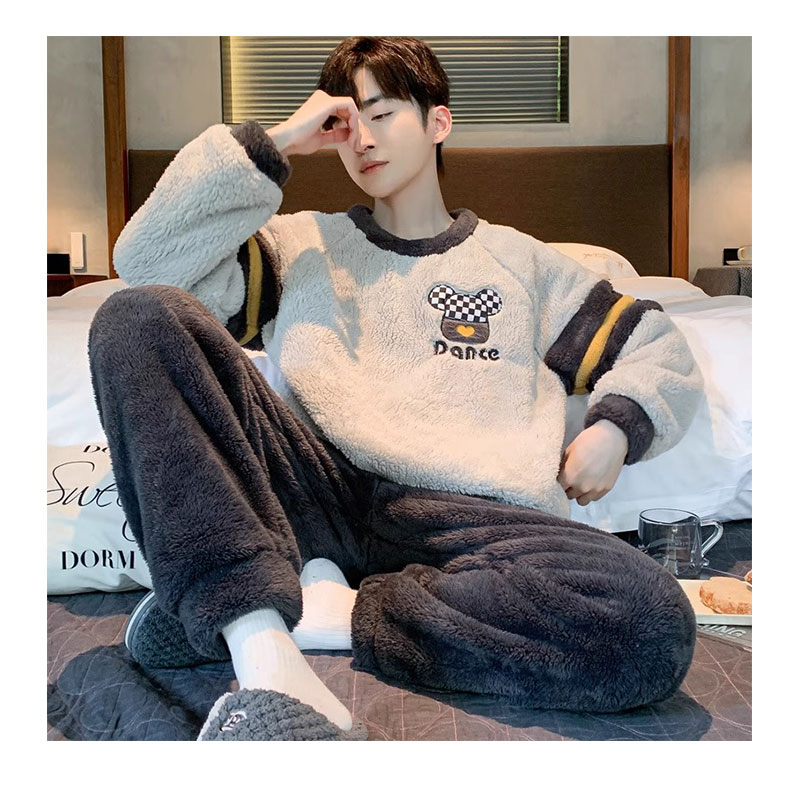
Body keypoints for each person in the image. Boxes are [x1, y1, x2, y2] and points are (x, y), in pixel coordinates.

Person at [88, 36, 703, 741]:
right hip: (313, 494)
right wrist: (279, 139)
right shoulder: (298, 247)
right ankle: (256, 633)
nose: (363, 139)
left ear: (439, 121)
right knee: (134, 316)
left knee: (649, 622)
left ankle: (328, 610)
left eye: (382, 114)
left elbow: (657, 346)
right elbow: (147, 260)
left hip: (467, 522)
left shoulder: (522, 264)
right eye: (347, 122)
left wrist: (615, 428)